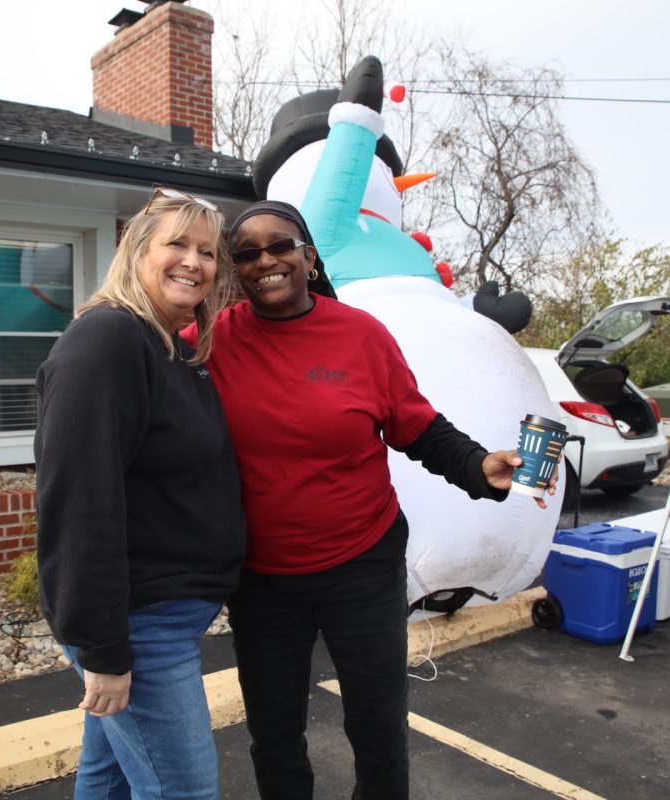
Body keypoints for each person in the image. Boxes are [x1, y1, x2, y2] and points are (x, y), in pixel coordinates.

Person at [189, 200, 556, 800]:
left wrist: (477, 466)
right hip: (262, 579)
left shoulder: (360, 335)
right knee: (274, 732)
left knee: (378, 727)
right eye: (247, 252)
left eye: (280, 245)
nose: (266, 261)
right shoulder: (210, 343)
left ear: (308, 257)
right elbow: (139, 358)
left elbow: (416, 427)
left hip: (362, 565)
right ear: (236, 269)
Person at [33, 187, 245, 799]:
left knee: (111, 782)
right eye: (176, 243)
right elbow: (79, 502)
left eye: (207, 251)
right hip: (138, 623)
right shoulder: (107, 341)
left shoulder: (167, 345)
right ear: (134, 252)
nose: (195, 262)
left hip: (163, 619)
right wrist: (104, 648)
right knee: (185, 791)